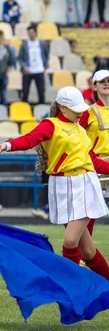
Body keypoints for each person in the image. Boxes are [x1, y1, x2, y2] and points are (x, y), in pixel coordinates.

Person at [0, 87, 109, 281]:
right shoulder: (51, 125)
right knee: (87, 251)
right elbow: (30, 139)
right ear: (63, 108)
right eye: (76, 110)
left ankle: (70, 288)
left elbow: (92, 161)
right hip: (61, 187)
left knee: (70, 241)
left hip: (85, 185)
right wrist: (7, 145)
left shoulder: (80, 129)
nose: (81, 113)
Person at [78, 70, 109, 235]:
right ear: (94, 86)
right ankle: (83, 254)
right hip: (96, 167)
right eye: (102, 81)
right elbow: (77, 138)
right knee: (89, 214)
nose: (106, 83)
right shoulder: (88, 112)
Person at [18, 25, 48, 105]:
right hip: (28, 71)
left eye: (32, 32)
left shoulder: (42, 43)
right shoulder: (24, 44)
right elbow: (20, 58)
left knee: (41, 91)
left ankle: (41, 107)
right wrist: (24, 67)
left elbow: (46, 54)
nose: (30, 34)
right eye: (29, 33)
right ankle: (24, 107)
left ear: (36, 33)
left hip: (39, 70)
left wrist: (45, 65)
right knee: (25, 92)